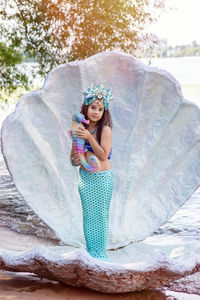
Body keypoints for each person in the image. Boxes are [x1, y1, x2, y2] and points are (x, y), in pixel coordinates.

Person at [70, 83, 114, 261]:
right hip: (85, 178)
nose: (96, 111)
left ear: (104, 112)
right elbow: (73, 159)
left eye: (100, 109)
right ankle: (91, 253)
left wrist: (89, 138)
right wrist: (75, 157)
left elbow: (103, 156)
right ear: (86, 108)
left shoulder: (105, 129)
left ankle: (100, 255)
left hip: (102, 179)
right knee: (88, 216)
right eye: (93, 107)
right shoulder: (79, 128)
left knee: (100, 216)